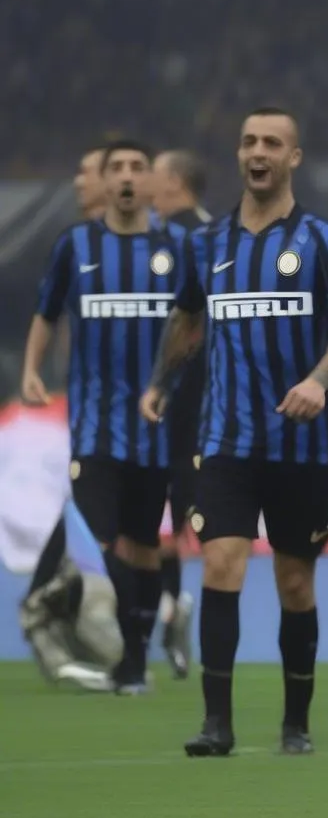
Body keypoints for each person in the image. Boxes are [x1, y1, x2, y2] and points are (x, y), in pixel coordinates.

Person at [141, 107, 328, 757]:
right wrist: (159, 383)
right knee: (220, 564)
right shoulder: (205, 243)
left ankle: (296, 722)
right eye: (248, 142)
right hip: (225, 443)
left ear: (294, 157)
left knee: (295, 581)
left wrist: (320, 380)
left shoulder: (320, 238)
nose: (258, 151)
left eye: (272, 142)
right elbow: (186, 320)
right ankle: (218, 724)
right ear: (238, 155)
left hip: (300, 448)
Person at [21, 139, 188, 694]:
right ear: (106, 180)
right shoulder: (76, 245)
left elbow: (197, 323)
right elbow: (46, 312)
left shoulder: (178, 246)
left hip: (155, 430)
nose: (125, 177)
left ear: (150, 182)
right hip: (94, 426)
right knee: (101, 537)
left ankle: (135, 659)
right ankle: (117, 640)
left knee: (143, 543)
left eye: (137, 167)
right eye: (115, 167)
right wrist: (31, 370)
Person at [150, 148, 213, 678]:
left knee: (173, 505)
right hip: (195, 396)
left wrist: (160, 381)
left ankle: (173, 605)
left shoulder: (194, 239)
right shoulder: (209, 234)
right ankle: (172, 605)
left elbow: (186, 324)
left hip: (189, 397)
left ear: (174, 181)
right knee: (174, 507)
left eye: (154, 175)